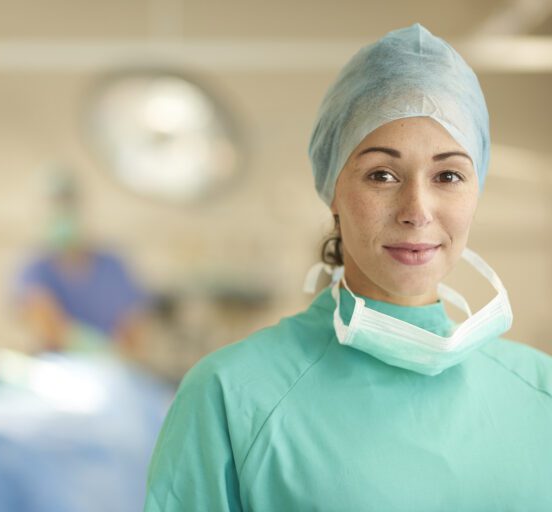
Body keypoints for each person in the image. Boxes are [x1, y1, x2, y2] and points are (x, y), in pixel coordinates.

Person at [144, 24, 552, 510]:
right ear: (332, 189)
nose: (417, 209)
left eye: (449, 175)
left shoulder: (539, 392)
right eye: (382, 174)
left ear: (476, 189)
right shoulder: (231, 397)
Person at [12, 170, 149, 357]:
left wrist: (118, 357)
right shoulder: (36, 270)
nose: (61, 212)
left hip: (115, 371)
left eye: (66, 204)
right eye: (54, 205)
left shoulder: (112, 266)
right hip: (60, 369)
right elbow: (49, 328)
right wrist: (94, 349)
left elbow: (133, 332)